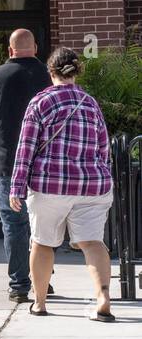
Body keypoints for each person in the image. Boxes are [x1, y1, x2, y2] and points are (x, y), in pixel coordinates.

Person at [9, 47, 115, 321]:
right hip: (92, 184)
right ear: (76, 71)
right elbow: (104, 149)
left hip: (49, 185)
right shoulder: (90, 103)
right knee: (93, 243)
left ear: (50, 71)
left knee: (42, 243)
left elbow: (26, 149)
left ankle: (40, 303)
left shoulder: (41, 102)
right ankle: (103, 297)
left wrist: (17, 187)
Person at [0, 28, 53, 302]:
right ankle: (43, 282)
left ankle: (19, 286)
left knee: (14, 225)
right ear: (35, 48)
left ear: (10, 50)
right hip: (46, 164)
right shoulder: (49, 76)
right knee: (44, 225)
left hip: (8, 165)